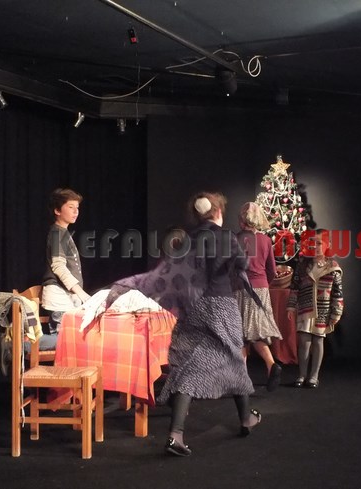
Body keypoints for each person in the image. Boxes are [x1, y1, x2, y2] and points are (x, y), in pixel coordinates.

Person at [106, 191, 262, 457]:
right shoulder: (225, 237)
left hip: (193, 308)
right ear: (217, 212)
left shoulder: (188, 239)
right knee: (234, 357)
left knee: (188, 364)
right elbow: (242, 263)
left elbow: (172, 272)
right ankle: (246, 418)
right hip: (221, 306)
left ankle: (175, 434)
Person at [286, 229, 344, 388]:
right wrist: (291, 306)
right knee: (304, 342)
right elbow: (295, 287)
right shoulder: (303, 265)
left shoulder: (332, 267)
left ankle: (314, 376)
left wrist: (336, 312)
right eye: (313, 243)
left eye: (319, 243)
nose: (315, 246)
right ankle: (301, 374)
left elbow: (337, 293)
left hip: (322, 310)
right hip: (305, 309)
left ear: (327, 245)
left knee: (318, 341)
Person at [235, 202, 283, 392]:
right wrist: (263, 284)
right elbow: (272, 270)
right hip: (261, 289)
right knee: (255, 332)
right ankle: (271, 365)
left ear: (242, 220)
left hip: (241, 289)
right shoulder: (266, 240)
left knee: (241, 335)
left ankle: (242, 380)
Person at [41, 188, 91, 344]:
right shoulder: (57, 233)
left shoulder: (63, 233)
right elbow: (58, 266)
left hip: (68, 297)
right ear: (57, 210)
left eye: (77, 208)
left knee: (71, 342)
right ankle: (22, 346)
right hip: (59, 296)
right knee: (64, 343)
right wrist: (81, 293)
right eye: (70, 207)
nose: (76, 211)